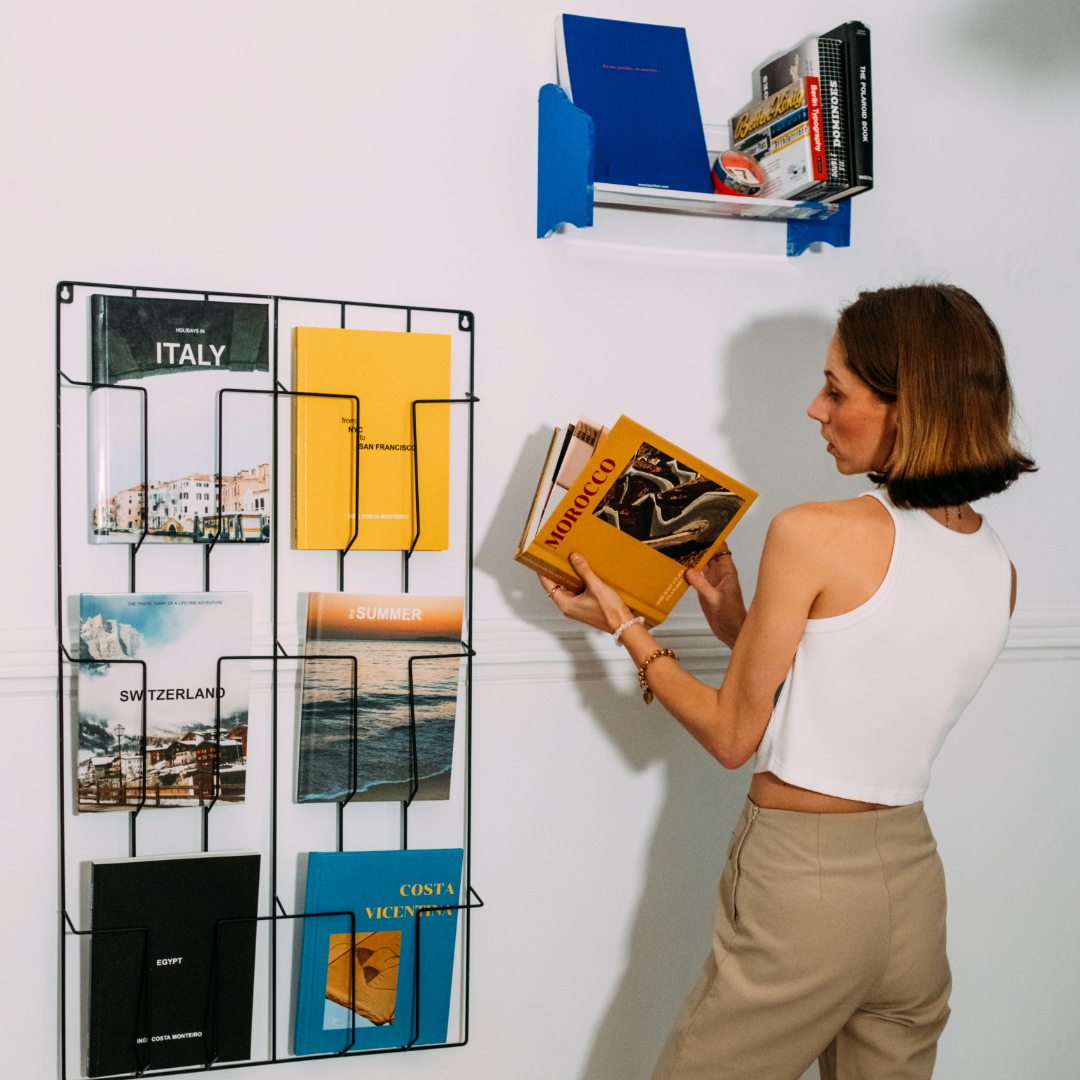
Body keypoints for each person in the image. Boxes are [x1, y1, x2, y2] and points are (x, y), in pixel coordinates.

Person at [538, 284, 1035, 1080]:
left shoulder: (813, 532)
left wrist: (628, 629)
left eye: (836, 389)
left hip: (805, 887)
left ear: (907, 405)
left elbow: (734, 736)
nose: (814, 408)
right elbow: (847, 684)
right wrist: (737, 618)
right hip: (912, 888)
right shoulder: (997, 564)